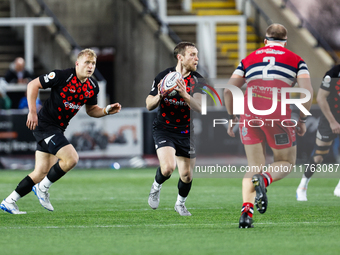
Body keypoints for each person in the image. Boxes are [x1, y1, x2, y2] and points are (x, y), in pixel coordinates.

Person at [0, 48, 121, 214]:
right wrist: (32, 111)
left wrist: (106, 110)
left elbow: (91, 110)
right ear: (77, 63)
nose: (90, 66)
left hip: (58, 129)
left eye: (93, 63)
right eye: (87, 62)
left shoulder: (92, 86)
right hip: (45, 124)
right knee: (71, 158)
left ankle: (9, 201)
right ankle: (42, 189)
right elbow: (33, 84)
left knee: (41, 172)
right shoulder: (63, 76)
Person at [224, 24, 313, 228]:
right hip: (277, 115)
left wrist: (232, 116)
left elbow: (229, 90)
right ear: (285, 42)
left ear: (265, 41)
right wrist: (302, 119)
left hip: (249, 114)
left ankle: (246, 214)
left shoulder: (248, 59)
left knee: (253, 166)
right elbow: (306, 91)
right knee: (286, 162)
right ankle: (264, 180)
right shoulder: (297, 60)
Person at [146, 42, 204, 216]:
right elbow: (149, 105)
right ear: (180, 57)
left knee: (186, 175)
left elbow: (201, 108)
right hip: (164, 128)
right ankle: (156, 187)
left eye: (197, 54)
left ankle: (180, 204)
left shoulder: (198, 80)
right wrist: (160, 95)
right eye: (192, 55)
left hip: (186, 131)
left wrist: (184, 94)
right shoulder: (164, 76)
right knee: (168, 168)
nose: (196, 58)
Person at [296, 65, 340, 201]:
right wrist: (332, 122)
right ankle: (303, 185)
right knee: (320, 154)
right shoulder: (334, 73)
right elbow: (321, 98)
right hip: (330, 119)